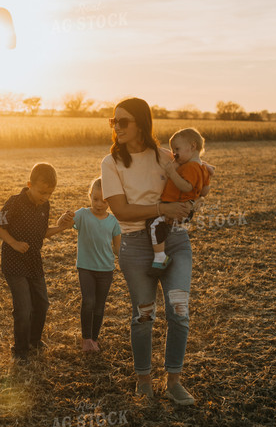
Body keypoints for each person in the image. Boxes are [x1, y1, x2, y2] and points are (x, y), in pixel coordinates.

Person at [101, 98, 206, 406]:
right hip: (135, 245)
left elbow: (195, 182)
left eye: (124, 122)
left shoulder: (165, 157)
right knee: (144, 316)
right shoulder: (111, 163)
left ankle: (174, 381)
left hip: (174, 241)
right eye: (114, 122)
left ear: (141, 124)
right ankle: (144, 379)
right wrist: (162, 207)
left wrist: (193, 204)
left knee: (179, 310)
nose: (117, 127)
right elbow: (119, 209)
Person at [0, 163, 74, 363]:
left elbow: (41, 233)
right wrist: (13, 243)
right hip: (13, 261)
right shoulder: (15, 202)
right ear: (29, 184)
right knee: (23, 307)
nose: (45, 197)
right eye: (41, 192)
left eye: (49, 193)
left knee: (42, 303)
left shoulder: (45, 206)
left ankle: (34, 340)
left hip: (33, 261)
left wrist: (61, 228)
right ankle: (20, 349)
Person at [146, 128, 210, 275]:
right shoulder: (202, 167)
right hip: (184, 208)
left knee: (154, 223)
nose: (173, 153)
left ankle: (160, 257)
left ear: (192, 146)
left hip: (176, 206)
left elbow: (186, 187)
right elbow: (205, 191)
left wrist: (171, 173)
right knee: (162, 225)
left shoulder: (190, 167)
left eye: (176, 149)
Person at [72, 177, 121, 352]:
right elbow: (66, 222)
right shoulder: (82, 215)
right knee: (88, 302)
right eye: (95, 199)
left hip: (106, 269)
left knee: (100, 305)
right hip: (85, 268)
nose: (99, 204)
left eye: (104, 200)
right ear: (90, 196)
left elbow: (117, 249)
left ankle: (94, 339)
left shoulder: (113, 222)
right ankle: (86, 339)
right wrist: (65, 217)